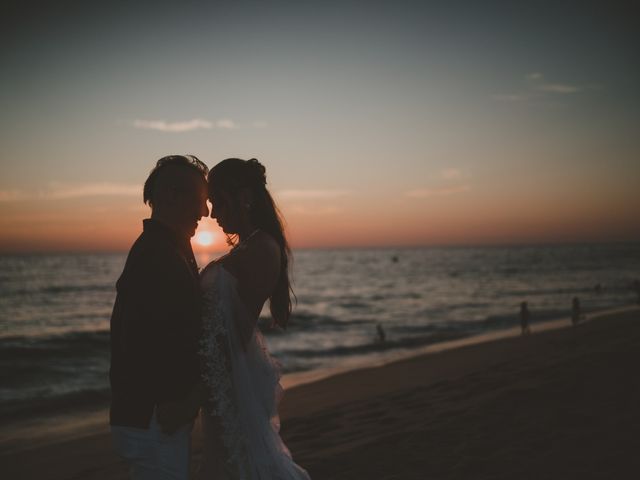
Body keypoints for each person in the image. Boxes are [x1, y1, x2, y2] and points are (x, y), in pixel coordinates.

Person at [198, 158, 311, 479]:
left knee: (232, 463)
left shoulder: (261, 248)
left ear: (243, 197)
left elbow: (230, 327)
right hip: (225, 374)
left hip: (230, 377)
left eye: (218, 202)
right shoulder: (253, 246)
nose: (213, 214)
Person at [109, 155, 209, 480]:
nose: (205, 211)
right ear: (170, 195)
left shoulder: (168, 248)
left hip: (154, 416)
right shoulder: (157, 254)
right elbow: (146, 339)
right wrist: (174, 402)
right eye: (198, 199)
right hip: (154, 417)